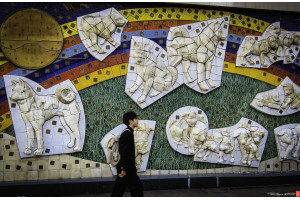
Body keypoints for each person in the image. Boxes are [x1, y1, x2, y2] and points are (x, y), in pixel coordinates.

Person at [111, 111, 144, 197]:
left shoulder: (129, 132)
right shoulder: (127, 133)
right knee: (137, 188)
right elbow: (124, 152)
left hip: (125, 168)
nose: (138, 120)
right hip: (127, 169)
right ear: (130, 121)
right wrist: (123, 169)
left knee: (119, 190)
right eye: (136, 118)